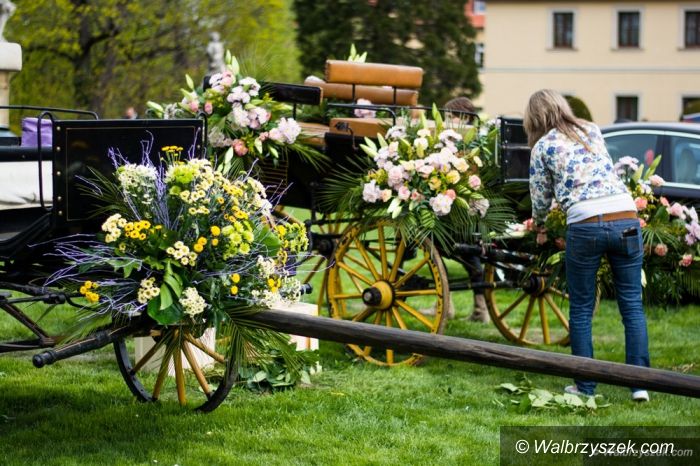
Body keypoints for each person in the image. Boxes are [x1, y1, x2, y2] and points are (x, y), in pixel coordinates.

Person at [524, 89, 650, 402]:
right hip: (626, 217)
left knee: (581, 309)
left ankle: (585, 386)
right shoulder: (591, 129)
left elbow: (540, 198)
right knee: (632, 305)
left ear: (534, 118)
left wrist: (540, 224)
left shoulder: (542, 147)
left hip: (585, 224)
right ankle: (641, 385)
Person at [444, 97, 489, 323]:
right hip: (476, 208)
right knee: (471, 254)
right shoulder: (480, 139)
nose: (446, 122)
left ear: (461, 118)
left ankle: (445, 305)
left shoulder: (462, 142)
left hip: (462, 206)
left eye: (449, 117)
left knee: (431, 243)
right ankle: (481, 309)